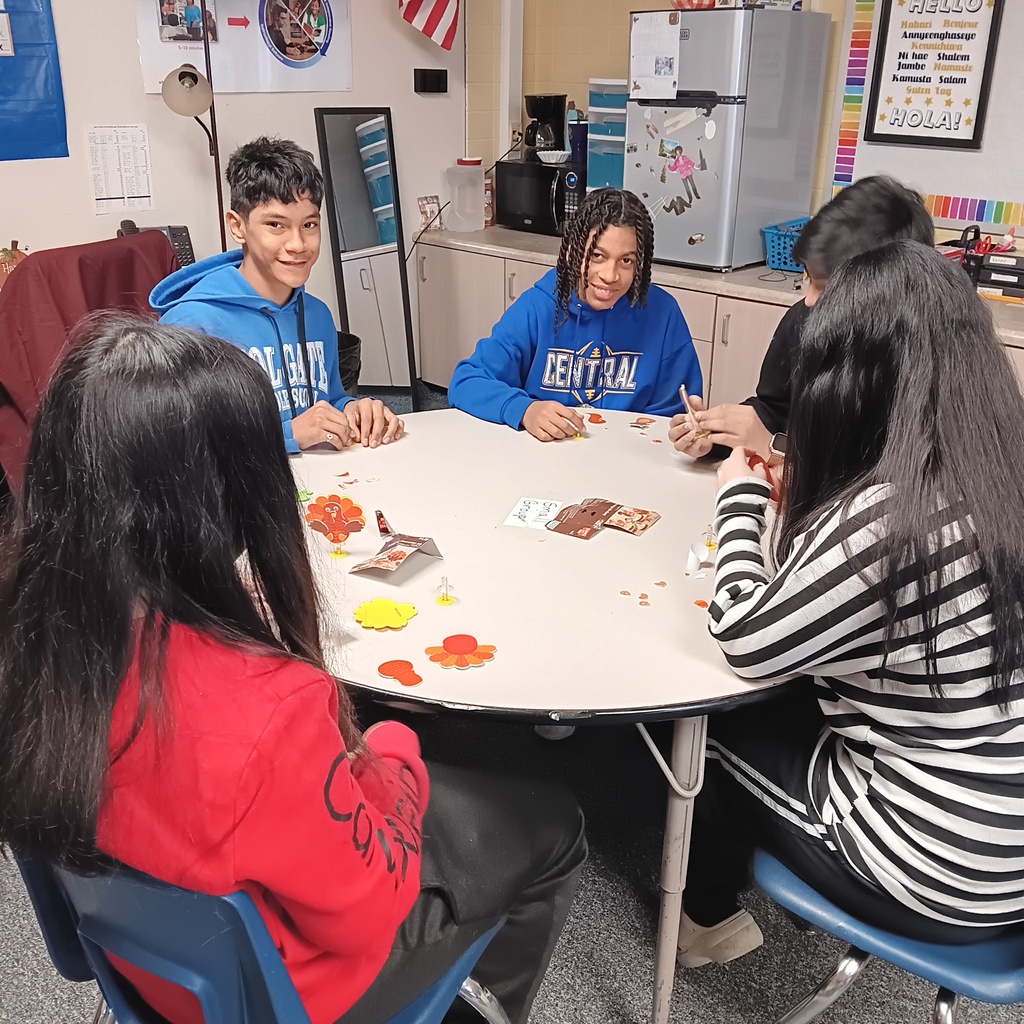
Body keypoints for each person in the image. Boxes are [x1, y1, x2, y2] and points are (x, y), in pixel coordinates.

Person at [0, 314, 588, 1024]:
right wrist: (394, 749)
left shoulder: (30, 641)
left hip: (147, 972)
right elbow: (368, 910)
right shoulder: (273, 706)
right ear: (231, 498)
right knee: (554, 823)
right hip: (287, 995)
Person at [676, 240, 1024, 970]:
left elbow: (744, 633)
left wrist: (738, 502)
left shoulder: (891, 516)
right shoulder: (998, 468)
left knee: (706, 727)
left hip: (946, 867)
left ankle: (706, 923)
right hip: (1010, 846)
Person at [152, 137, 403, 454]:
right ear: (238, 226)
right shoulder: (190, 326)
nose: (298, 244)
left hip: (318, 484)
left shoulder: (316, 315)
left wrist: (353, 410)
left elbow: (327, 400)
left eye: (309, 224)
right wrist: (286, 434)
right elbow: (173, 445)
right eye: (276, 225)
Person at [670, 175, 935, 461]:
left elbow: (879, 472)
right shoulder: (802, 319)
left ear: (881, 286)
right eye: (808, 278)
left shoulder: (929, 359)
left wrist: (774, 449)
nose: (808, 300)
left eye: (824, 286)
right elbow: (773, 410)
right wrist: (716, 438)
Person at [448, 188, 702, 442]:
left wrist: (690, 433)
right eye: (597, 256)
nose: (610, 275)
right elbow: (466, 382)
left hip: (630, 460)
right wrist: (525, 409)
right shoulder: (538, 308)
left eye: (626, 261)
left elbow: (674, 416)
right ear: (571, 251)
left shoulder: (663, 314)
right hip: (546, 458)